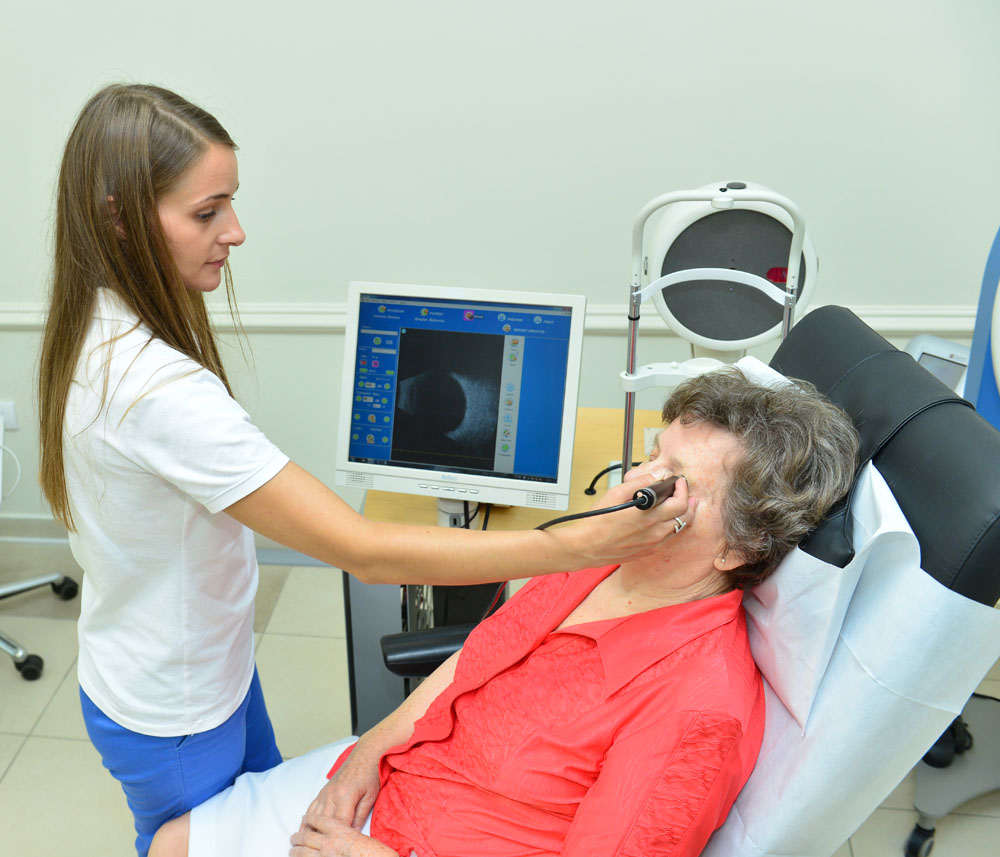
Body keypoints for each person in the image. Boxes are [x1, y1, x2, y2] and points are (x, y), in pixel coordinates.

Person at [36, 83, 689, 857]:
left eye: (231, 204)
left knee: (264, 816)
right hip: (174, 708)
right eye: (207, 212)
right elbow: (362, 549)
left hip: (190, 667)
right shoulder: (155, 389)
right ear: (119, 219)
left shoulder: (103, 322)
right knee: (187, 842)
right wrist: (583, 542)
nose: (235, 231)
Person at [150, 366, 860, 857]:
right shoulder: (601, 553)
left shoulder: (699, 710)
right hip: (397, 777)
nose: (635, 488)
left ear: (740, 546)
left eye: (674, 487)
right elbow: (473, 661)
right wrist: (366, 754)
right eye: (651, 457)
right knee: (171, 843)